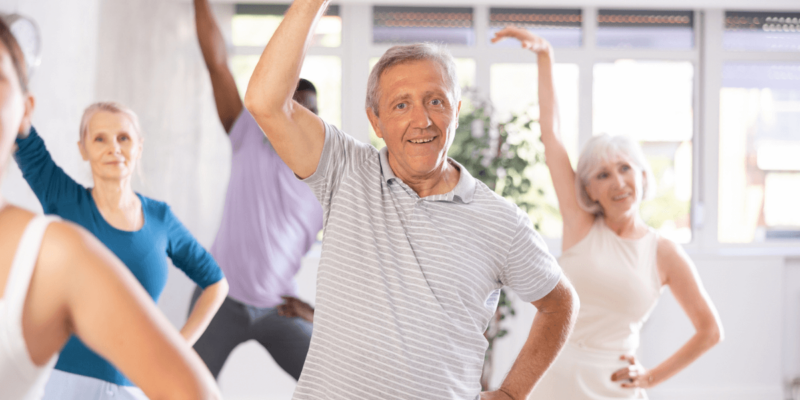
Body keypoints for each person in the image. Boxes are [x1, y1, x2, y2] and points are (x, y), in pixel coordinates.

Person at [243, 2, 580, 399]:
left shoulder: (501, 221)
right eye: (401, 104)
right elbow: (265, 102)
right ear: (376, 120)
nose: (421, 119)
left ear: (455, 111)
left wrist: (511, 393)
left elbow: (560, 304)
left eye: (435, 101)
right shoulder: (344, 169)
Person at [490, 27, 724, 399]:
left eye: (625, 168)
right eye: (603, 174)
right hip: (555, 377)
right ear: (589, 190)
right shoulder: (581, 224)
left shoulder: (663, 252)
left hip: (615, 387)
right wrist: (546, 58)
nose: (617, 182)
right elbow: (552, 136)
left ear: (642, 175)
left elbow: (710, 330)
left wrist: (650, 377)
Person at [0, 17, 221, 400]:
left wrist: (179, 345)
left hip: (131, 389)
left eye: (123, 138)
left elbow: (216, 282)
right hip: (60, 385)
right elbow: (25, 139)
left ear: (139, 147)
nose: (113, 148)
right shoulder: (64, 198)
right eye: (99, 138)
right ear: (83, 149)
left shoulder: (161, 220)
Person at [187, 0, 322, 380]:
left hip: (277, 309)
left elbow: (363, 268)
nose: (293, 119)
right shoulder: (248, 134)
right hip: (219, 297)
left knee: (334, 382)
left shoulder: (326, 184)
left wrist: (315, 313)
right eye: (286, 110)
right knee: (183, 388)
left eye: (305, 113)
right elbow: (216, 64)